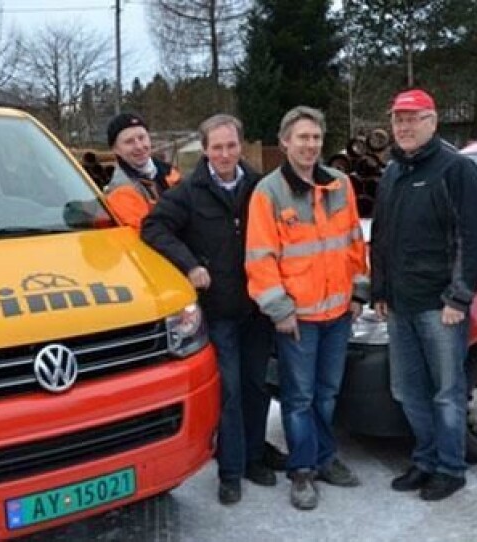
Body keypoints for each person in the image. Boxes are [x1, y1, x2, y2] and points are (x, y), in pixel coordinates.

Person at [141, 114, 286, 505]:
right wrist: (190, 264)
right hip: (219, 311)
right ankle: (231, 469)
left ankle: (255, 456)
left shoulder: (260, 187)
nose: (225, 154)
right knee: (230, 391)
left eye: (231, 145)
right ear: (205, 150)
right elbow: (153, 228)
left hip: (257, 306)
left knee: (257, 385)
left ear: (242, 146)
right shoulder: (189, 192)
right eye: (217, 147)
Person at [245, 106, 368, 511]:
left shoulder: (340, 185)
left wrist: (358, 294)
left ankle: (324, 457)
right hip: (298, 319)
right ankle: (302, 471)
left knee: (327, 394)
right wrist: (279, 310)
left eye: (316, 138)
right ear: (284, 142)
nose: (310, 145)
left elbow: (354, 242)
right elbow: (260, 258)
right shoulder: (268, 193)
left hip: (337, 314)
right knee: (299, 398)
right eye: (302, 138)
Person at [370, 88, 477, 501]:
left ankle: (451, 468)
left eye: (412, 118)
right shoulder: (392, 172)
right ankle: (425, 459)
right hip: (400, 305)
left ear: (432, 122)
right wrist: (380, 289)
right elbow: (381, 237)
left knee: (447, 392)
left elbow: (472, 237)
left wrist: (459, 298)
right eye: (398, 119)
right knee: (407, 390)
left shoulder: (456, 169)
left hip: (440, 308)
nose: (403, 126)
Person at [103, 112, 181, 231]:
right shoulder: (121, 191)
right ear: (116, 150)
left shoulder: (170, 172)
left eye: (142, 138)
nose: (139, 146)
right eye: (129, 142)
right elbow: (148, 233)